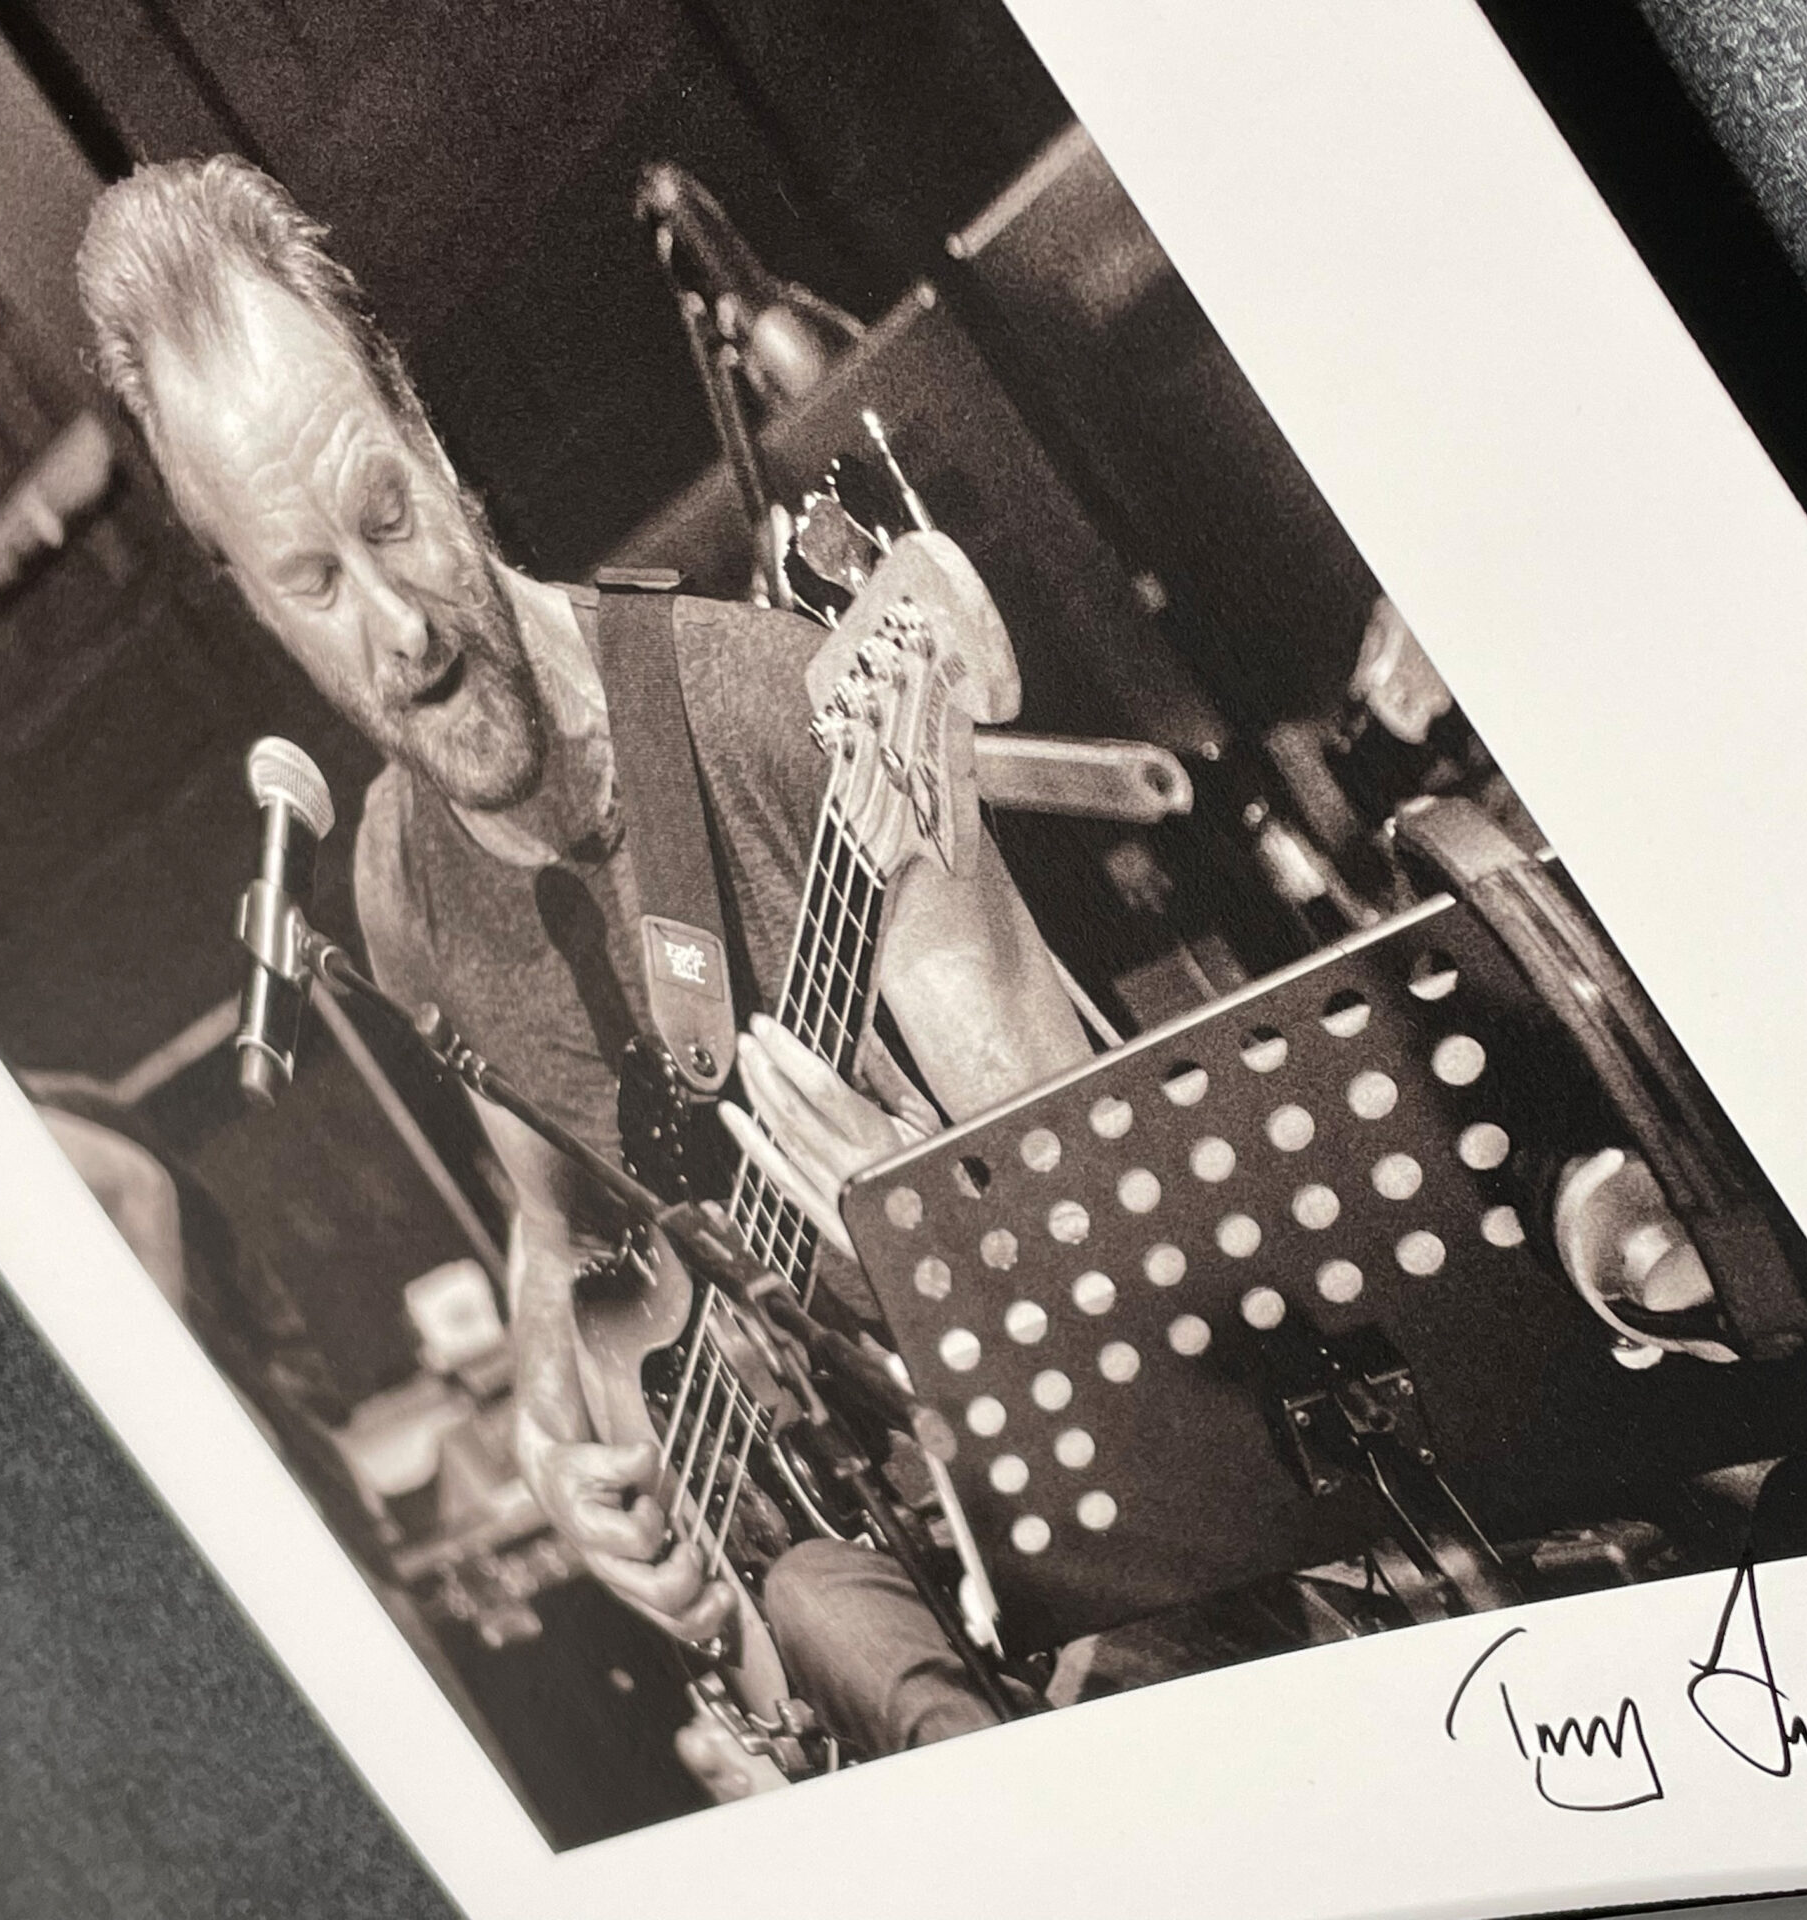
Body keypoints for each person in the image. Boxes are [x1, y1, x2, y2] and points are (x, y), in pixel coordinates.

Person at [72, 155, 1091, 1779]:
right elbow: (558, 1221)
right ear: (248, 605)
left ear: (432, 436)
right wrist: (563, 1429)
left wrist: (942, 1229)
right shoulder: (398, 886)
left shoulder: (789, 713)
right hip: (890, 1604)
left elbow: (1144, 1253)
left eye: (385, 518)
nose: (397, 632)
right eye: (312, 583)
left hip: (1097, 1544)